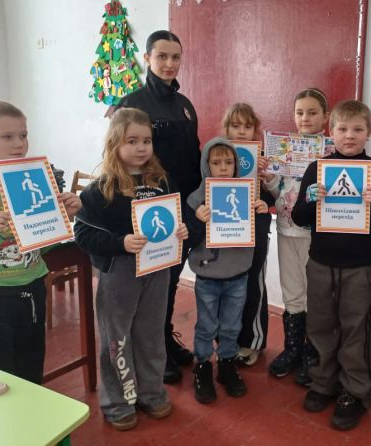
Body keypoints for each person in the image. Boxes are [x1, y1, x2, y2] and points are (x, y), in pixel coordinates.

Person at [74, 108, 188, 431]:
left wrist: (181, 229)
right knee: (117, 337)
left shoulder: (162, 180)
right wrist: (120, 243)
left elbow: (175, 217)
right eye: (132, 141)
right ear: (115, 143)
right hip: (119, 272)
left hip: (158, 268)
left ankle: (151, 393)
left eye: (146, 141)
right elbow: (82, 234)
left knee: (151, 333)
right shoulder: (100, 189)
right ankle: (118, 402)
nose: (141, 147)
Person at [0, 99, 81, 384]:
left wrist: (65, 218)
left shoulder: (34, 181)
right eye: (7, 137)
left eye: (23, 135)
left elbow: (41, 246)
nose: (19, 144)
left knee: (29, 373)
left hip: (32, 291)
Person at [292, 100, 371, 430]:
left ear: (368, 133)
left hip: (360, 266)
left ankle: (356, 390)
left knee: (355, 328)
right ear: (331, 131)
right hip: (320, 262)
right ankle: (324, 381)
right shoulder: (317, 169)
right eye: (342, 129)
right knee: (320, 325)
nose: (349, 135)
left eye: (357, 129)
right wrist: (309, 199)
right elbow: (298, 217)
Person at [117, 30, 201, 383]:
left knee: (170, 279)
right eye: (161, 56)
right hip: (148, 208)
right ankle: (150, 349)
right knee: (151, 283)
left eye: (175, 57)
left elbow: (193, 156)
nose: (169, 63)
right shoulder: (131, 104)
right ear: (147, 58)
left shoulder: (184, 105)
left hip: (183, 207)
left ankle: (163, 339)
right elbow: (119, 159)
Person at [186, 138, 269, 404]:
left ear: (236, 165)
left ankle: (227, 363)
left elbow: (256, 234)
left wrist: (261, 213)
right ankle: (202, 365)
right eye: (216, 162)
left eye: (229, 162)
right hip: (208, 275)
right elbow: (189, 237)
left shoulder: (248, 193)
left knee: (232, 325)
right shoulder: (196, 199)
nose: (223, 168)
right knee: (206, 324)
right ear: (206, 165)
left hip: (238, 274)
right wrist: (198, 220)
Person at [261, 88, 329, 386]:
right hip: (287, 229)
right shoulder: (283, 149)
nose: (305, 118)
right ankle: (292, 349)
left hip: (318, 234)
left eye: (313, 112)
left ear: (325, 117)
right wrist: (270, 179)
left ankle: (312, 353)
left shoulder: (331, 151)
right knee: (292, 290)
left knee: (315, 292)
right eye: (300, 113)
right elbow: (278, 190)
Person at [221, 103, 275, 366]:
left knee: (254, 283)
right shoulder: (217, 156)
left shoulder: (263, 158)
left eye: (247, 126)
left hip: (256, 229)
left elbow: (274, 197)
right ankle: (227, 339)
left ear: (255, 130)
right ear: (226, 128)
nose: (241, 131)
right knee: (227, 285)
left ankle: (252, 341)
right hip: (226, 230)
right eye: (235, 125)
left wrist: (267, 182)